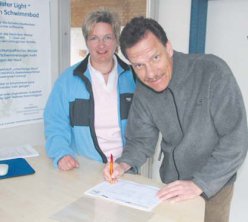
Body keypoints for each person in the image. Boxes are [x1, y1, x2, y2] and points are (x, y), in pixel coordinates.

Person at [103, 16, 248, 222]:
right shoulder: (144, 91)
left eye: (155, 58)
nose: (150, 73)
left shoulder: (212, 71)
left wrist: (199, 184)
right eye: (139, 66)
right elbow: (141, 140)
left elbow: (236, 140)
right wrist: (123, 165)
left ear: (168, 48)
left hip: (214, 183)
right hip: (172, 185)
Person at [44, 8, 136, 171]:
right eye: (94, 38)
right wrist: (62, 153)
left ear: (116, 40)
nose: (101, 45)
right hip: (83, 168)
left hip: (125, 168)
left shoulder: (133, 77)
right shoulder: (68, 80)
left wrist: (128, 162)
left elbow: (144, 127)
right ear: (87, 41)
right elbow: (55, 122)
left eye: (107, 37)